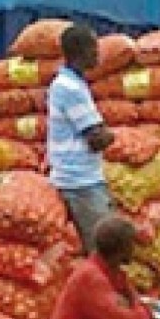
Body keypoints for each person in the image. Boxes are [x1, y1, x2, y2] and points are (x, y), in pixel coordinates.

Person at [47, 24, 115, 253]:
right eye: (93, 49)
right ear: (79, 51)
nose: (98, 54)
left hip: (79, 176)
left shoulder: (72, 83)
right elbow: (96, 138)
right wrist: (111, 135)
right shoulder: (70, 88)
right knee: (104, 248)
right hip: (79, 181)